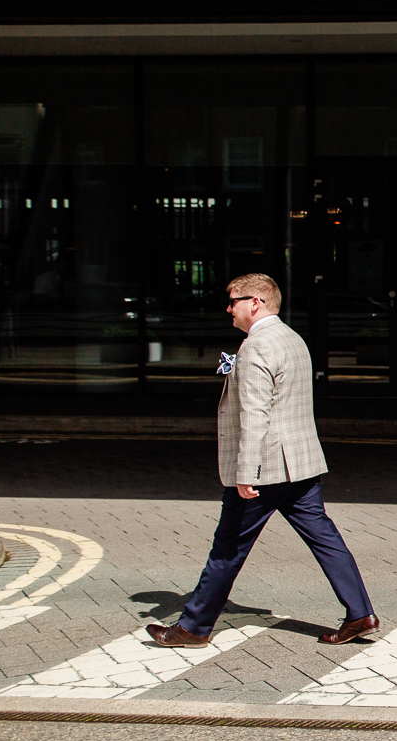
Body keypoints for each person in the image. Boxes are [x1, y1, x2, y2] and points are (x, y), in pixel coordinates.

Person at [147, 274, 378, 648]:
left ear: (255, 302)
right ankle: (360, 613)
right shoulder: (292, 338)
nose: (228, 308)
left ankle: (193, 628)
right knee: (325, 539)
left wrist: (246, 471)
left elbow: (256, 414)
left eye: (233, 300)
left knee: (227, 548)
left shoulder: (255, 347)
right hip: (298, 464)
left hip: (266, 467)